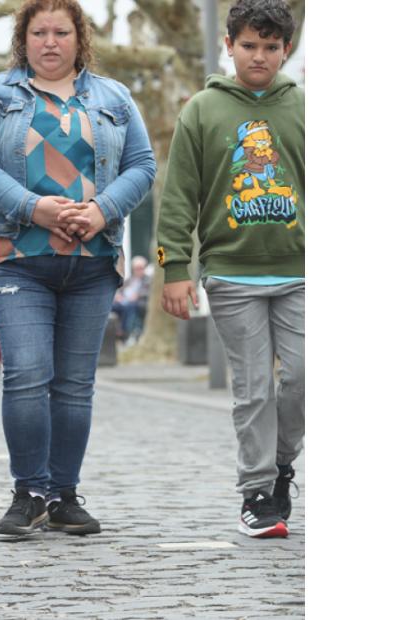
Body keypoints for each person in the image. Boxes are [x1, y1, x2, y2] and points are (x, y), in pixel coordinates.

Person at [0, 0, 156, 537]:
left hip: (91, 262)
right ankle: (29, 492)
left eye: (61, 32)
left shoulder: (114, 97)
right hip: (14, 258)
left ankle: (64, 495)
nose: (50, 42)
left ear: (79, 38)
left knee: (74, 385)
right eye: (39, 32)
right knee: (26, 373)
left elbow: (143, 165)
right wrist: (33, 206)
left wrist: (102, 210)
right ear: (23, 39)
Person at [157, 0, 303, 539]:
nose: (259, 56)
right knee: (253, 389)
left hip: (301, 270)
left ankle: (282, 463)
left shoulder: (304, 108)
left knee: (305, 378)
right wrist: (176, 268)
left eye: (270, 47)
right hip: (232, 272)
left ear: (285, 49)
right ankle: (258, 491)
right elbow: (179, 197)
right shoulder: (202, 109)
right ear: (229, 45)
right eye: (249, 45)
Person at [111, 255, 151, 342]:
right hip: (123, 301)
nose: (139, 270)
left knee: (129, 306)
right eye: (137, 268)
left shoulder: (148, 280)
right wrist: (117, 296)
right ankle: (112, 331)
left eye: (141, 268)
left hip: (136, 302)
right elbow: (120, 290)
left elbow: (148, 292)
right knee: (112, 306)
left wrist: (138, 295)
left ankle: (123, 331)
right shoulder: (129, 280)